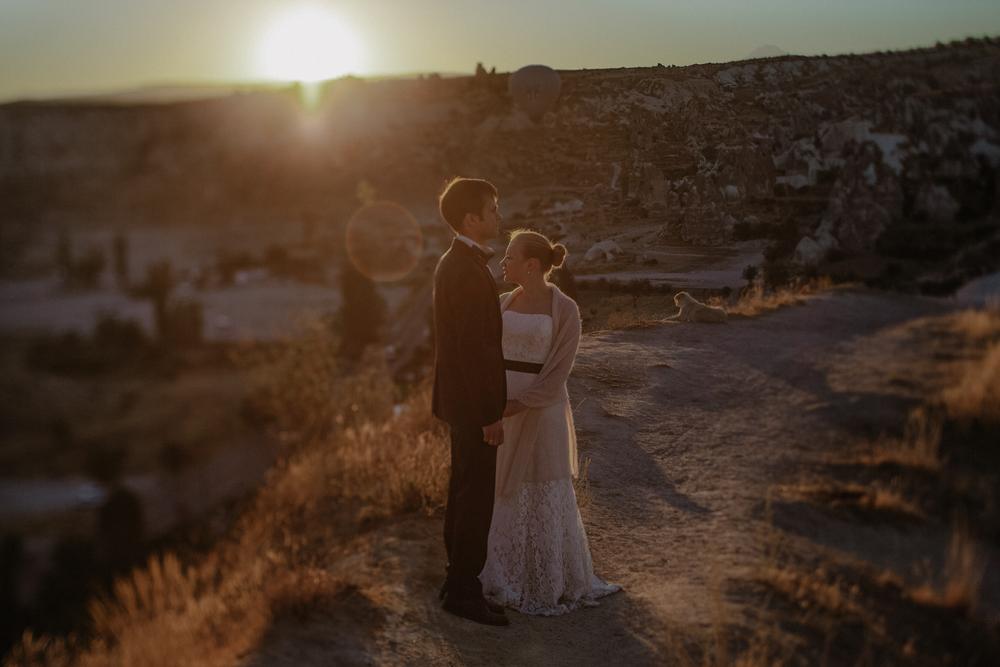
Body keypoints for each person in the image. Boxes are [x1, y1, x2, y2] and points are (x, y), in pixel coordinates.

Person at [480, 229, 621, 615]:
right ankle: (505, 573)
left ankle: (547, 578)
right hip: (501, 403)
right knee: (505, 487)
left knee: (540, 485)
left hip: (541, 410)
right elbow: (488, 355)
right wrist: (495, 402)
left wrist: (520, 403)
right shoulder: (502, 303)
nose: (502, 263)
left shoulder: (566, 310)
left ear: (532, 265)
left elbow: (560, 370)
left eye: (509, 257)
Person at [431, 177, 510, 626]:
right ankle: (463, 590)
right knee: (474, 498)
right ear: (471, 219)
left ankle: (457, 582)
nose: (499, 215)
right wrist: (489, 416)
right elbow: (472, 350)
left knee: (463, 493)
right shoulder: (462, 268)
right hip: (472, 408)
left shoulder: (459, 263)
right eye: (493, 208)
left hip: (461, 404)